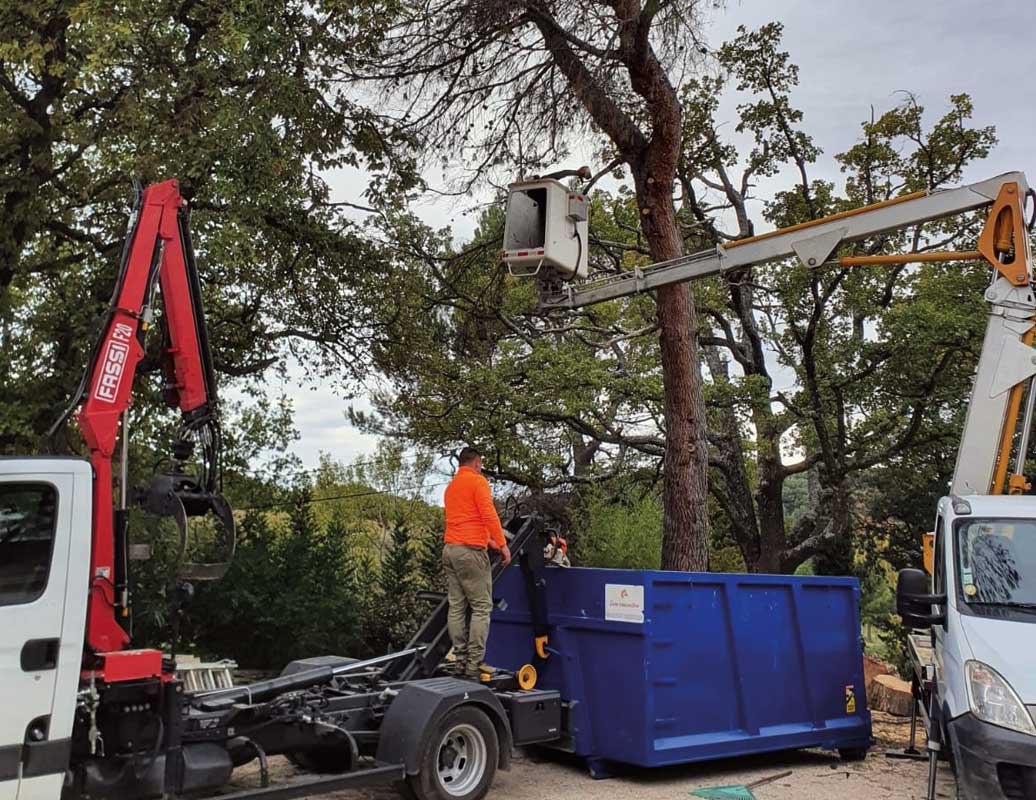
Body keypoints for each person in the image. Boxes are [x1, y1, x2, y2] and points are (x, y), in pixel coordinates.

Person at [442, 446, 511, 679]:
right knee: (482, 607)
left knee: (457, 606)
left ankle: (460, 661)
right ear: (477, 463)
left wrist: (488, 539)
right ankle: (474, 665)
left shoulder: (451, 487)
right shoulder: (478, 482)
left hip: (450, 549)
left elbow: (465, 518)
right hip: (471, 552)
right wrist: (502, 545)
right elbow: (488, 514)